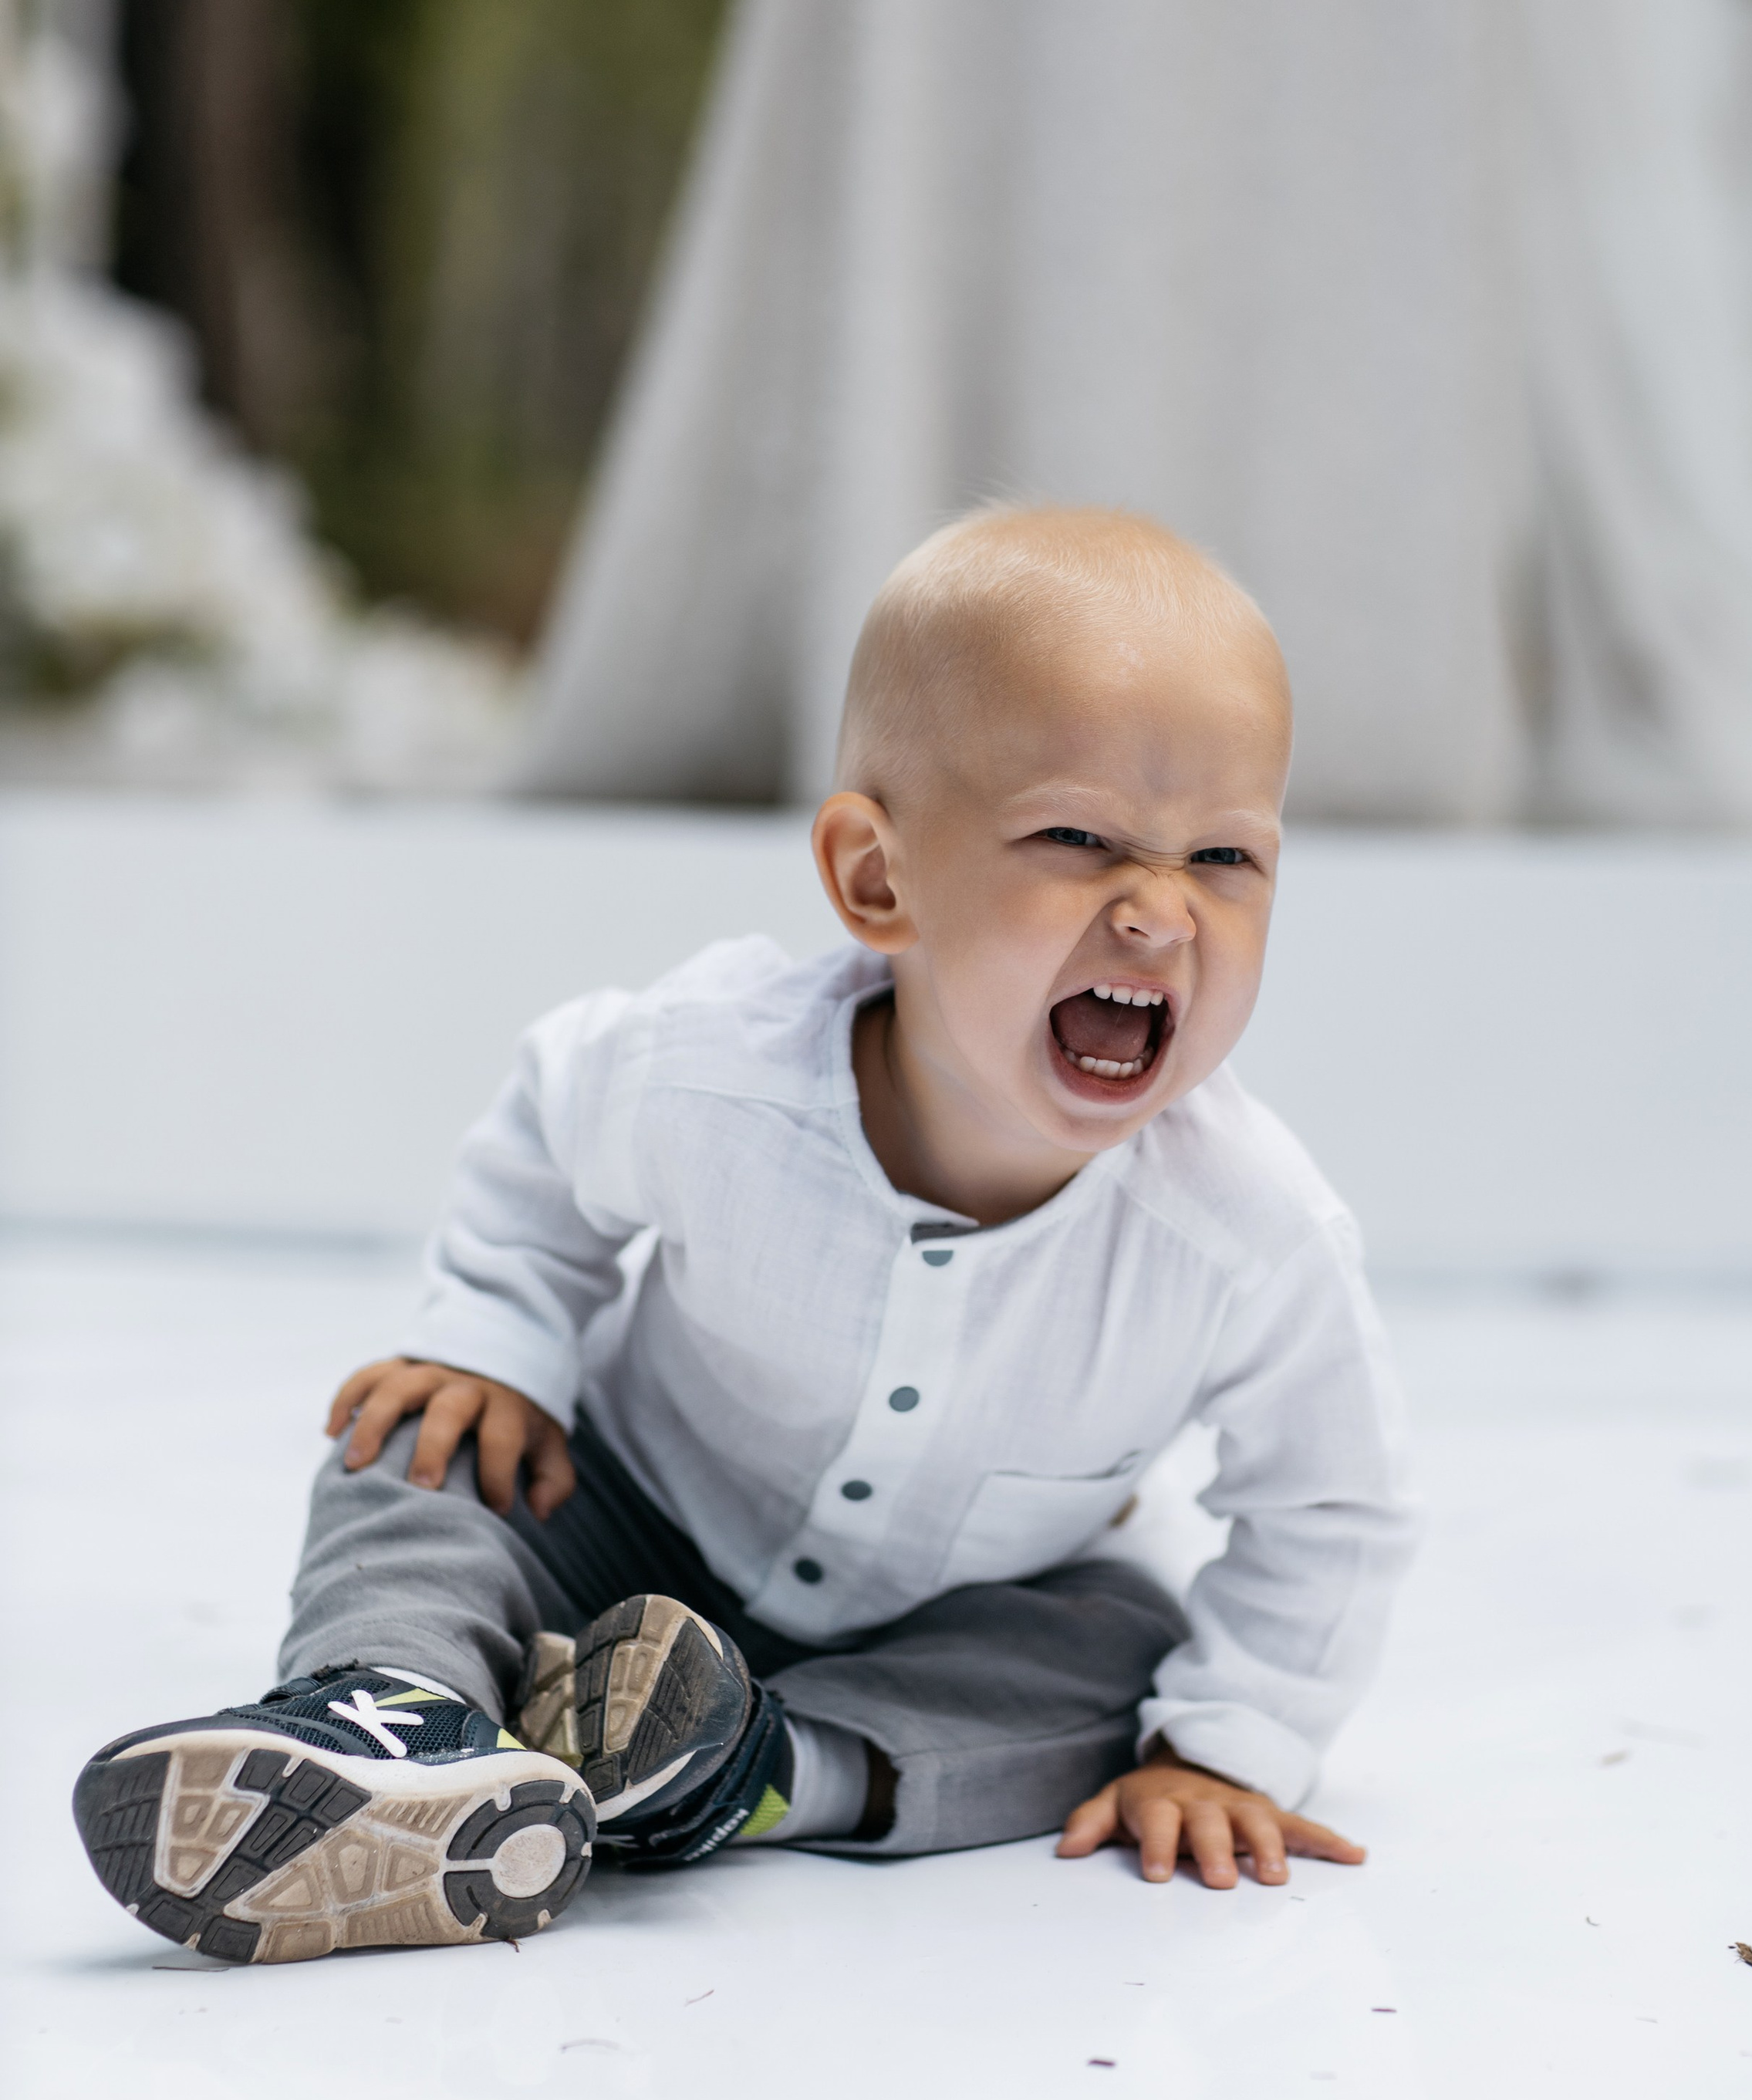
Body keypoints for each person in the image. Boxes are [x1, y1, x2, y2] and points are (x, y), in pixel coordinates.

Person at [74, 505, 1418, 1964]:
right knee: (423, 1448)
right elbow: (547, 1128)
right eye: (1079, 837)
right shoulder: (714, 1074)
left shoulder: (1248, 1235)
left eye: (1225, 856)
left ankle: (752, 1771)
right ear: (877, 880)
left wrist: (1234, 1745)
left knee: (1121, 1655)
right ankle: (389, 1716)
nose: (1160, 913)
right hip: (634, 1504)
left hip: (971, 1606)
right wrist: (497, 1346)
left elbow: (1334, 1507)